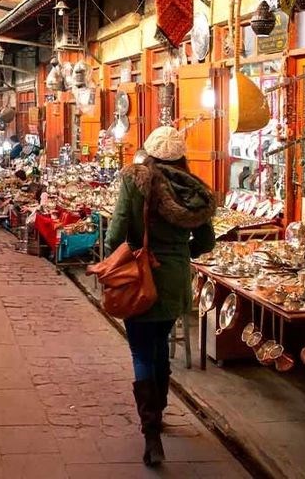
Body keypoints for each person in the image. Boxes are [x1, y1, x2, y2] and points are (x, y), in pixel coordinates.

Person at [104, 126, 215, 467]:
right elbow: (206, 242)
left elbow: (116, 232)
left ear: (149, 152)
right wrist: (180, 252)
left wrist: (126, 254)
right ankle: (160, 413)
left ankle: (150, 431)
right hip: (175, 280)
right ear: (182, 157)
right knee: (160, 345)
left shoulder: (136, 181)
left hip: (141, 278)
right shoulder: (193, 190)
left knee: (140, 349)